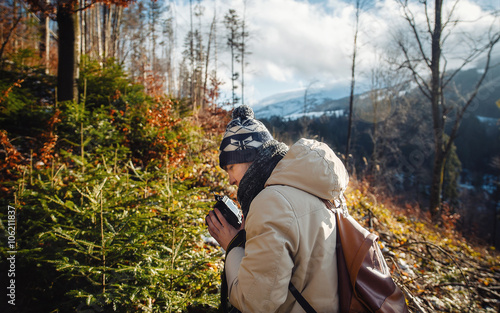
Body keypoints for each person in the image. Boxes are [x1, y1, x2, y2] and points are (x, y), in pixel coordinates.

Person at [206, 105, 349, 312]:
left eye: (230, 167)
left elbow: (254, 303)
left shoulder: (271, 203)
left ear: (248, 158)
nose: (230, 179)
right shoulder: (305, 187)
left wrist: (233, 246)